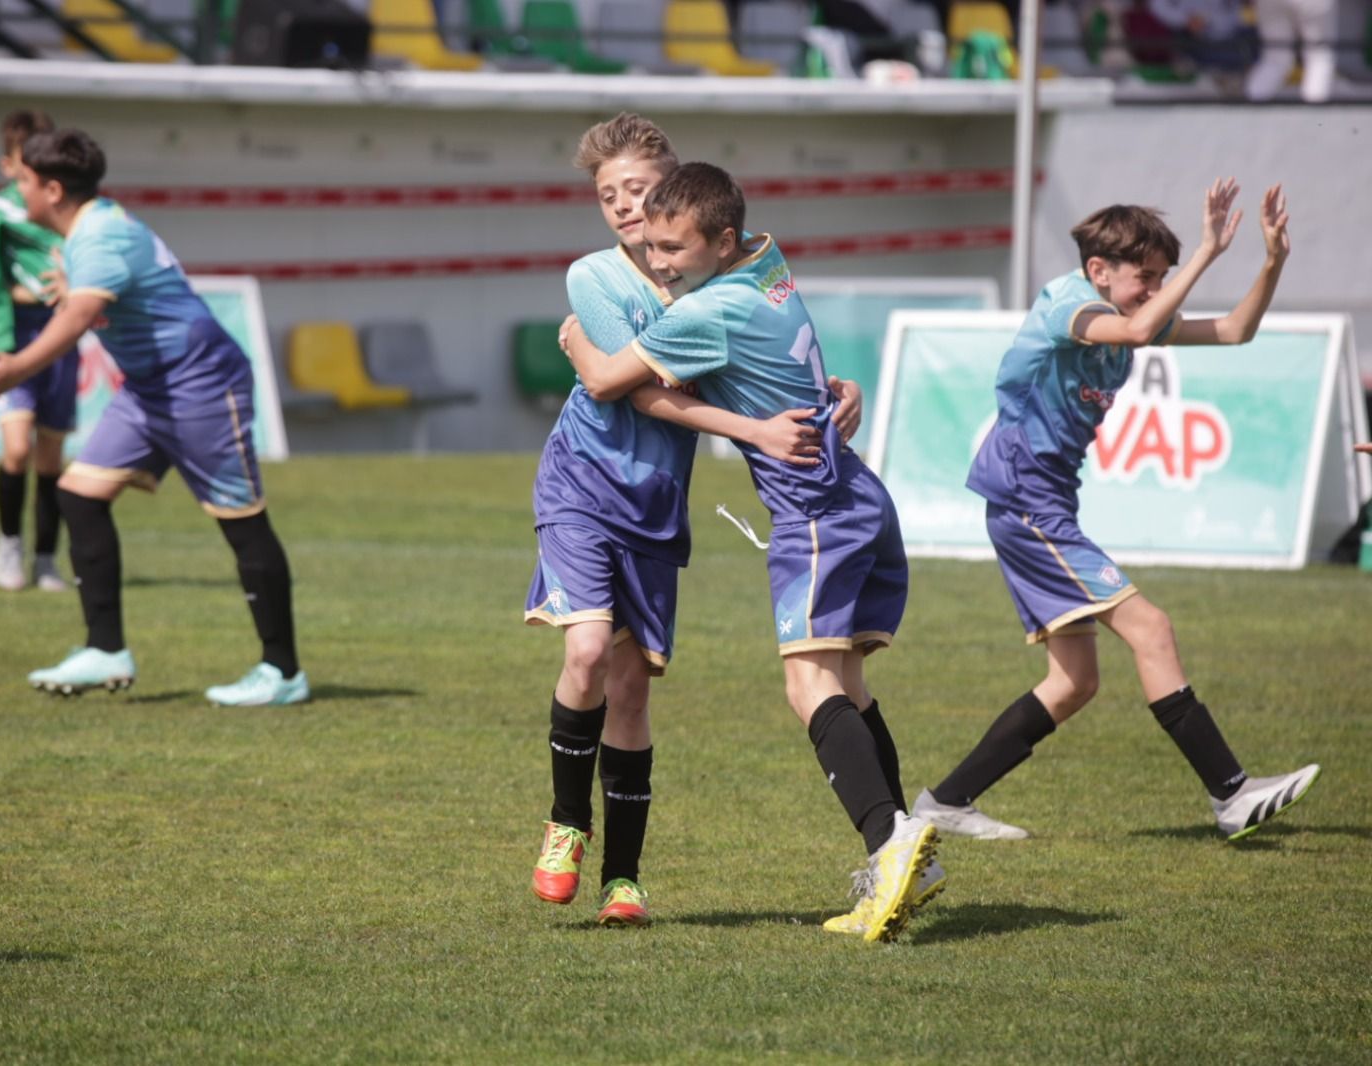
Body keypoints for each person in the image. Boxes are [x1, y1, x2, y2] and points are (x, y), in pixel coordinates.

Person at [560, 162, 942, 943]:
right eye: (653, 244)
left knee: (809, 689)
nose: (659, 260)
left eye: (673, 247)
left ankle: (894, 846)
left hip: (813, 511)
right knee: (850, 688)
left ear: (721, 240)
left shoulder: (713, 311)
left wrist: (574, 341)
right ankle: (903, 862)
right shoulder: (767, 266)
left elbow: (614, 383)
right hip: (859, 496)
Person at [527, 114, 866, 928]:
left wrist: (830, 389)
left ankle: (624, 878)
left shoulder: (711, 280)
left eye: (636, 190)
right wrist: (754, 430)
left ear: (674, 188)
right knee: (584, 650)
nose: (621, 207)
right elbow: (622, 386)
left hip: (656, 502)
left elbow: (752, 360)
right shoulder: (594, 280)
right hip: (582, 481)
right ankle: (567, 822)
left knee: (634, 690)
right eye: (607, 195)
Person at [914, 180, 1320, 843]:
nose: (1156, 290)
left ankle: (946, 801)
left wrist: (1270, 259)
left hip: (1043, 503)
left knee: (1074, 682)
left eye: (1163, 276)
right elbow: (1135, 325)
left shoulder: (1124, 316)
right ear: (1098, 269)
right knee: (1152, 628)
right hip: (1025, 502)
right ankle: (1232, 793)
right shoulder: (1068, 302)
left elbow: (1235, 331)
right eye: (1147, 276)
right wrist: (1209, 252)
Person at [0, 128, 307, 707]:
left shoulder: (98, 234)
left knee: (242, 522)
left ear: (51, 189)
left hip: (200, 384)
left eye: (21, 180)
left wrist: (19, 366)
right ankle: (105, 650)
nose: (13, 191)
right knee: (78, 494)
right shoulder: (94, 229)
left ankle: (283, 672)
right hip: (150, 391)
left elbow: (80, 318)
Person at [0, 109, 79, 592]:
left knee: (51, 456)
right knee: (17, 449)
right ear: (9, 165)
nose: (37, 166)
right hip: (16, 339)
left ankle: (46, 559)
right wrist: (2, 346)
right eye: (28, 158)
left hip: (60, 335)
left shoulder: (67, 212)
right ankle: (9, 544)